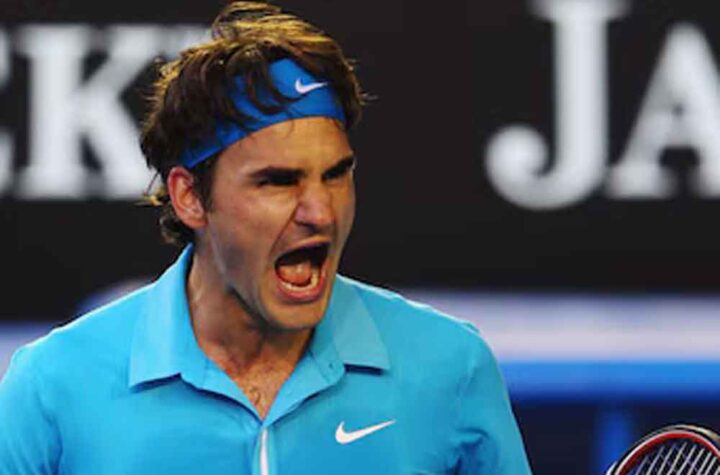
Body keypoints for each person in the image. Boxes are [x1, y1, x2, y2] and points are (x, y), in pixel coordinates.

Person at [0, 2, 532, 474]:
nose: (321, 212)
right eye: (278, 181)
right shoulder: (52, 387)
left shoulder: (452, 367)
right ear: (189, 197)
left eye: (336, 174)